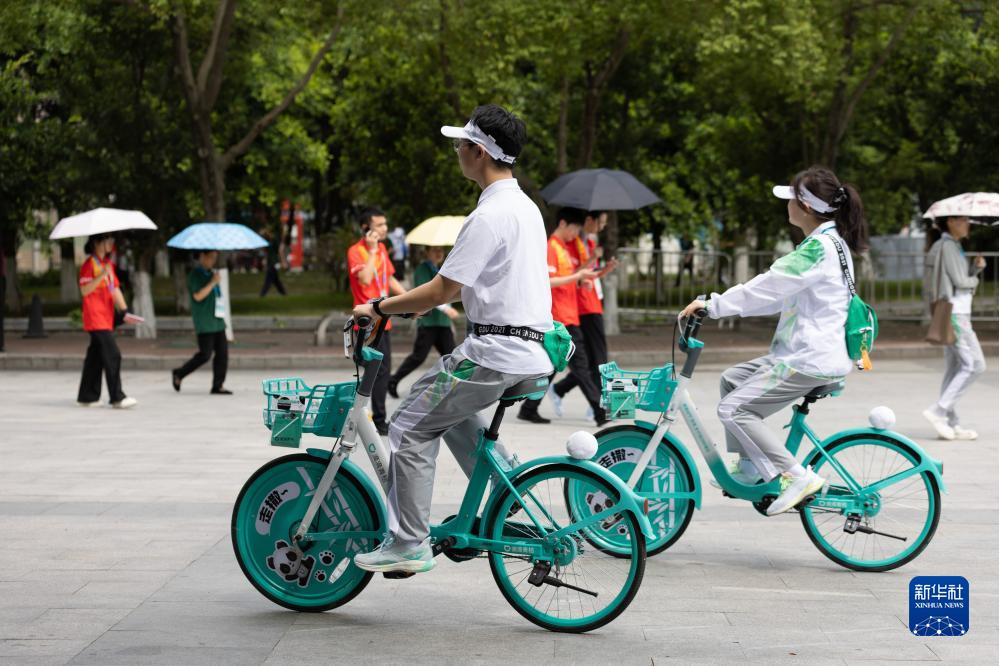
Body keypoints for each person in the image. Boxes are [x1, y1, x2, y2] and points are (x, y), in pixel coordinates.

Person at [351, 103, 552, 573]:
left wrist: (378, 307)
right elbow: (483, 282)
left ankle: (409, 543)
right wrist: (417, 302)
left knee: (407, 425)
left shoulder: (488, 216)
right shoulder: (526, 208)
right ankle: (506, 487)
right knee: (446, 410)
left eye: (461, 143)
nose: (457, 150)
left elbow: (442, 290)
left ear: (479, 152)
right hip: (529, 349)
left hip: (494, 352)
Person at [680, 165, 869, 516]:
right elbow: (777, 295)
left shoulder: (817, 249)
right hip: (811, 353)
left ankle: (797, 476)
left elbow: (767, 286)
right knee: (732, 379)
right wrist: (723, 306)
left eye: (791, 199)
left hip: (808, 359)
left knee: (734, 409)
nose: (787, 205)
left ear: (806, 207)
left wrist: (713, 305)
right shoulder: (832, 243)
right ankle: (750, 467)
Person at [517, 207, 606, 426]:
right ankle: (600, 411)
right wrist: (576, 277)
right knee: (581, 365)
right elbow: (548, 281)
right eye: (574, 229)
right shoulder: (551, 247)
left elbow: (567, 279)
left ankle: (528, 408)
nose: (575, 234)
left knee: (551, 366)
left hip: (568, 314)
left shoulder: (563, 247)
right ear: (563, 224)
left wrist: (580, 280)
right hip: (560, 317)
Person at [922, 216, 986, 440]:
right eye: (963, 220)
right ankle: (938, 411)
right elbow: (961, 282)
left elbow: (957, 279)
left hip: (955, 311)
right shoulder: (948, 246)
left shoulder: (951, 245)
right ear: (950, 221)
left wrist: (975, 269)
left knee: (954, 368)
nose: (968, 224)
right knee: (974, 365)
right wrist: (976, 279)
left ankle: (950, 422)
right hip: (956, 313)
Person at [550, 210, 618, 418]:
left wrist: (598, 272)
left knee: (574, 362)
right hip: (568, 313)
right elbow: (554, 280)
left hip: (573, 312)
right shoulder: (556, 246)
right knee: (584, 362)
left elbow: (575, 276)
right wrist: (581, 274)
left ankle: (533, 405)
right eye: (600, 222)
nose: (602, 227)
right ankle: (598, 407)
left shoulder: (569, 245)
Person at [347, 206, 407, 435]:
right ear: (366, 228)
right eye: (379, 225)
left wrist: (410, 300)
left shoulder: (382, 249)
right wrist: (372, 251)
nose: (385, 228)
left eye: (385, 224)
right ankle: (376, 420)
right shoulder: (356, 251)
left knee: (381, 370)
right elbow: (364, 278)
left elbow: (389, 279)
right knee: (377, 370)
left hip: (384, 320)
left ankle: (370, 417)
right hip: (367, 322)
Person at [388, 246, 460, 398]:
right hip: (428, 323)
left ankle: (449, 389)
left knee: (451, 357)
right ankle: (393, 380)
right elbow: (430, 295)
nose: (439, 253)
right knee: (418, 357)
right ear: (427, 252)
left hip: (443, 324)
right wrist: (446, 310)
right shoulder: (422, 270)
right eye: (435, 250)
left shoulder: (441, 269)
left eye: (441, 251)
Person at [77, 234, 137, 409]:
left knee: (95, 358)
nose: (111, 244)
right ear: (97, 243)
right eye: (107, 241)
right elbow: (85, 290)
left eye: (111, 240)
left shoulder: (107, 264)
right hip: (95, 317)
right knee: (112, 354)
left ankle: (87, 396)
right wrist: (101, 276)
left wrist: (125, 311)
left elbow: (114, 289)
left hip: (106, 316)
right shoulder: (89, 265)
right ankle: (117, 397)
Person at [171, 250, 231, 395]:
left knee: (222, 354)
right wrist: (213, 283)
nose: (213, 261)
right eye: (211, 257)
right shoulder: (195, 275)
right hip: (205, 322)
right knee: (205, 354)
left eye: (215, 258)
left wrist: (215, 280)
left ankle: (218, 385)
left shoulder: (212, 274)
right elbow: (198, 296)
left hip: (217, 320)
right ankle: (179, 373)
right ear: (202, 256)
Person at [259, 227, 287, 296]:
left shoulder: (274, 240)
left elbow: (280, 251)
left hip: (274, 262)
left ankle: (262, 294)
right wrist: (265, 260)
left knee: (268, 279)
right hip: (270, 262)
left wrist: (283, 262)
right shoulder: (267, 241)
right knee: (276, 280)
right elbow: (266, 252)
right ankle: (284, 293)